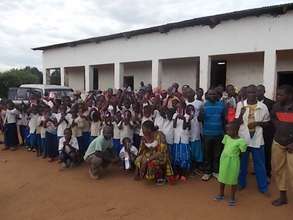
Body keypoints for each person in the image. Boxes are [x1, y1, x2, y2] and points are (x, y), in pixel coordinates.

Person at [235, 85, 269, 194]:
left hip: (257, 139)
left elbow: (267, 123)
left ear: (257, 93)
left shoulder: (263, 106)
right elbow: (236, 123)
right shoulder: (240, 105)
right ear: (246, 93)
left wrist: (258, 123)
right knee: (242, 163)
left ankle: (263, 187)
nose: (252, 95)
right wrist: (241, 114)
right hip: (243, 139)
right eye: (249, 92)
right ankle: (241, 183)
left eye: (254, 92)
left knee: (260, 164)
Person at [271, 85, 293, 206]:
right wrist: (279, 127)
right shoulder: (276, 106)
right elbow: (273, 118)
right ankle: (283, 197)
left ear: (290, 95)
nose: (278, 97)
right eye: (277, 94)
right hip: (278, 142)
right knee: (279, 170)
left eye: (281, 95)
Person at [215, 122, 247, 206]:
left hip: (234, 162)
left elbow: (242, 153)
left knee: (233, 179)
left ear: (236, 130)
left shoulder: (241, 141)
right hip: (224, 160)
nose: (227, 132)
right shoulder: (226, 137)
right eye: (227, 130)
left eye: (229, 130)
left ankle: (232, 197)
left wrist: (236, 159)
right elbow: (224, 147)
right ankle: (221, 194)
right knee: (222, 177)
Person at [135, 120, 173, 185]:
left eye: (144, 129)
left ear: (149, 130)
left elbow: (161, 152)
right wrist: (143, 158)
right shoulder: (144, 137)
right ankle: (140, 174)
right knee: (138, 159)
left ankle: (161, 177)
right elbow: (141, 150)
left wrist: (147, 159)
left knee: (152, 162)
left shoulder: (160, 135)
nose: (143, 131)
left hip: (161, 156)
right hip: (150, 154)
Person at [199, 88, 226, 181]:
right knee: (207, 154)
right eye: (210, 94)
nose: (212, 96)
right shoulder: (204, 106)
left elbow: (224, 119)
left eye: (214, 94)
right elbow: (200, 119)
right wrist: (201, 114)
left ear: (217, 95)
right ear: (207, 96)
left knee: (217, 154)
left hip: (219, 133)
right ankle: (207, 172)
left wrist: (224, 132)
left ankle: (216, 171)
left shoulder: (222, 105)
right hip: (207, 134)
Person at [256, 84, 275, 181]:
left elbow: (272, 119)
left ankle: (267, 173)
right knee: (257, 152)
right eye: (257, 91)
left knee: (266, 152)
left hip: (267, 132)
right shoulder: (252, 102)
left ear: (264, 92)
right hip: (255, 132)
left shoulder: (271, 103)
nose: (258, 93)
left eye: (260, 91)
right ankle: (258, 170)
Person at [173, 102, 191, 181]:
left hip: (184, 139)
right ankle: (178, 173)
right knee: (177, 157)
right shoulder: (175, 115)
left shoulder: (187, 116)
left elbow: (185, 127)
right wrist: (176, 117)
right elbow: (174, 125)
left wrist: (183, 119)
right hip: (177, 139)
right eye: (177, 107)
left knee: (184, 157)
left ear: (184, 108)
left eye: (180, 107)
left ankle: (184, 174)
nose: (178, 109)